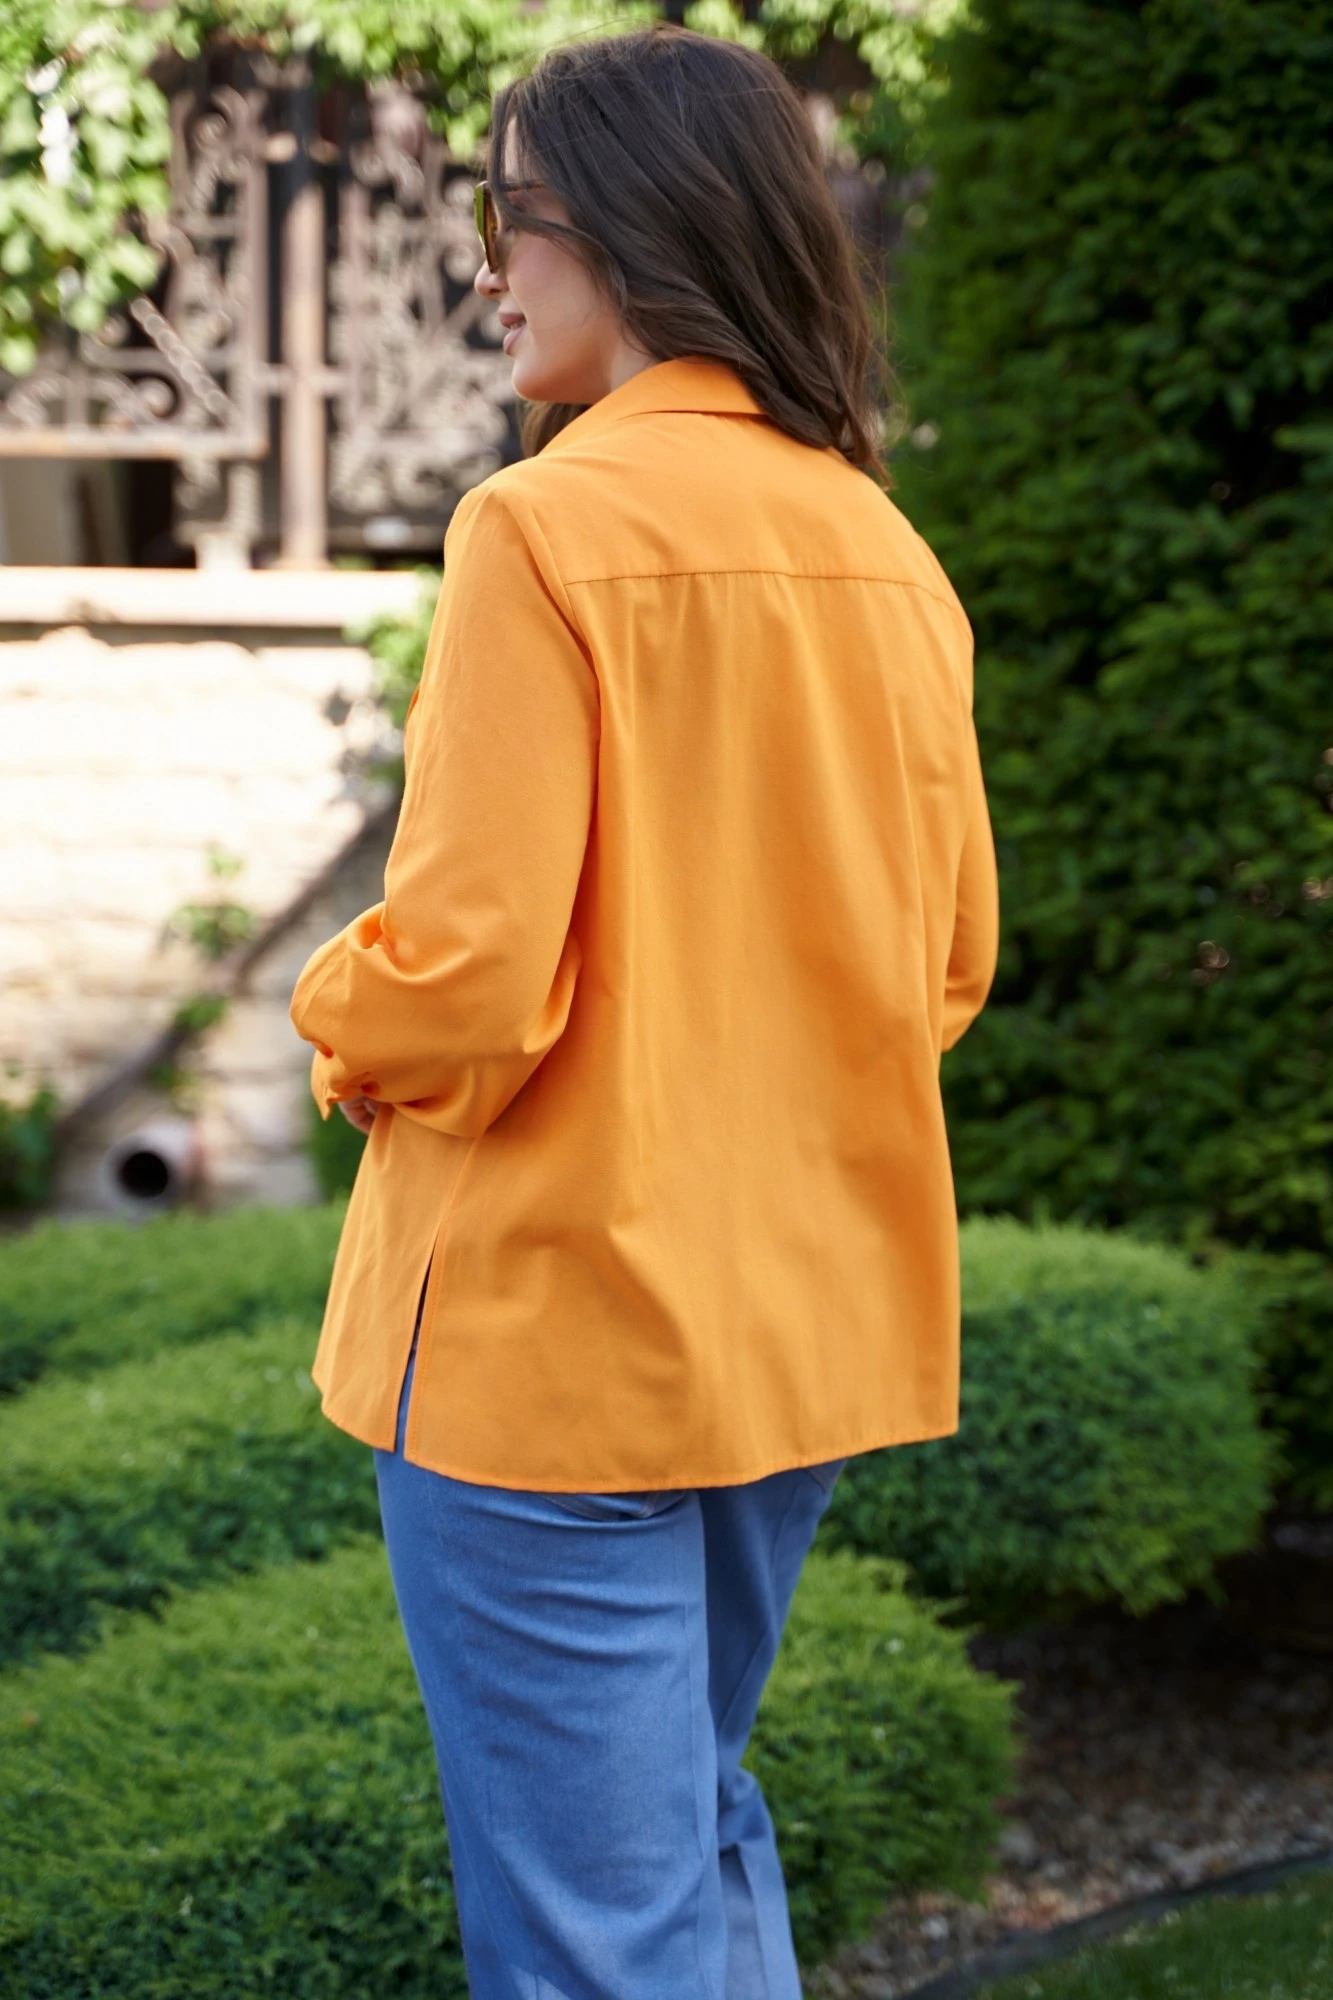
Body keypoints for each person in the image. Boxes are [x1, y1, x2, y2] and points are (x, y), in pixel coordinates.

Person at [290, 25, 998, 2000]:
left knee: (595, 1942)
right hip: (789, 1336)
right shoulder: (885, 547)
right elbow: (944, 966)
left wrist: (332, 1010)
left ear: (627, 225)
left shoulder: (543, 525)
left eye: (505, 212)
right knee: (682, 1831)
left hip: (554, 1341)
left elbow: (462, 984)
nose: (488, 267)